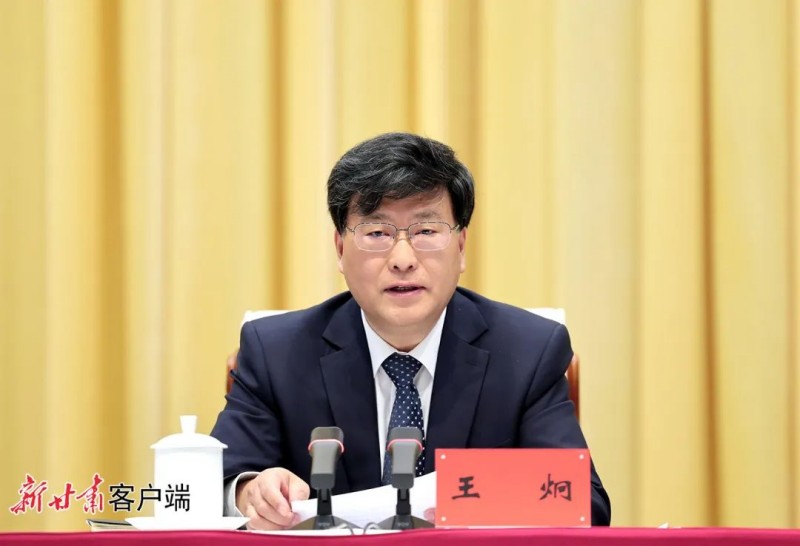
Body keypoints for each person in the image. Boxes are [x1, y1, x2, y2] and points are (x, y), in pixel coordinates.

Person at [210, 132, 611, 529]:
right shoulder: (276, 353)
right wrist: (248, 492)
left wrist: (476, 501)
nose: (403, 259)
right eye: (377, 233)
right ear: (340, 249)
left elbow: (584, 506)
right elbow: (214, 487)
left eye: (426, 232)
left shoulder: (528, 352)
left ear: (461, 246)